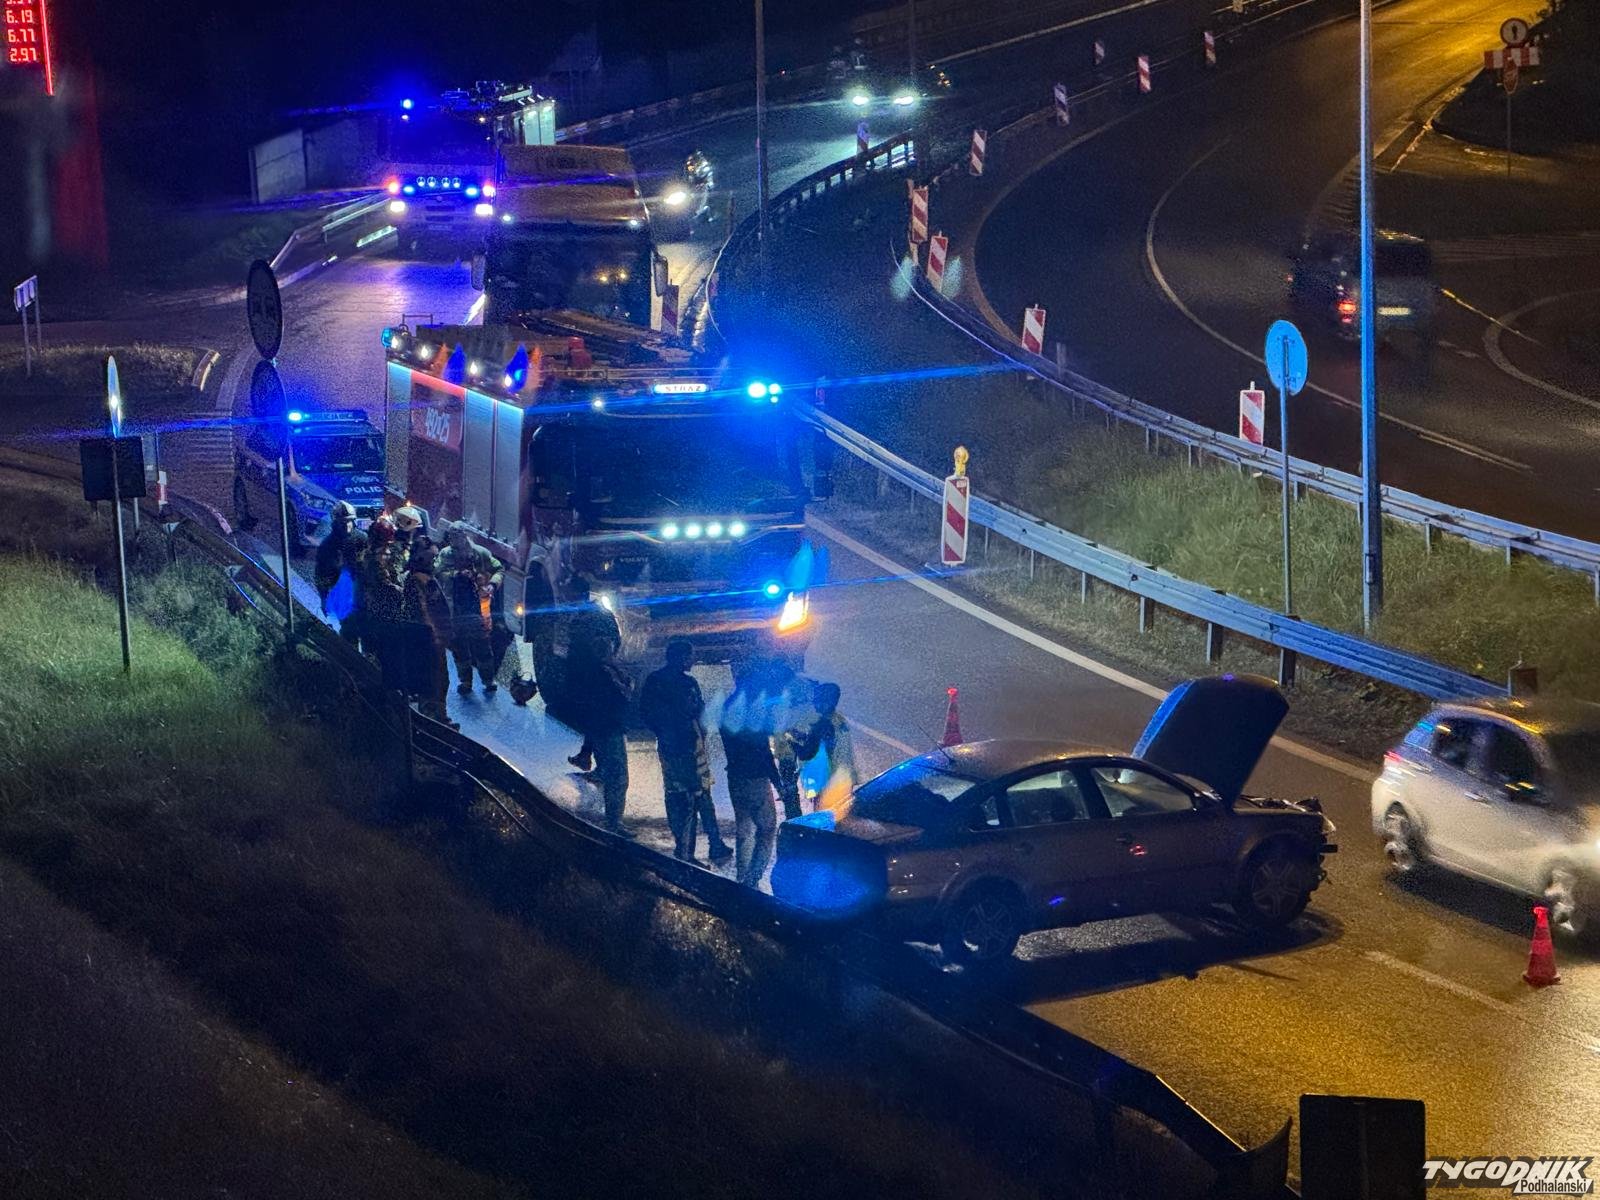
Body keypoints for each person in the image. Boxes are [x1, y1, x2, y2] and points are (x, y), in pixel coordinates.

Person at [640, 639, 732, 864]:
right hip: (688, 746)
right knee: (695, 795)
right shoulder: (686, 683)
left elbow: (646, 714)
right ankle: (692, 850)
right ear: (681, 657)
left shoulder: (656, 680)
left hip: (673, 746)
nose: (693, 659)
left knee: (681, 795)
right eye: (691, 655)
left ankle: (697, 846)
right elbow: (698, 713)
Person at [719, 668, 783, 888]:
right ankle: (752, 879)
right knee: (767, 828)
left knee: (744, 828)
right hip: (755, 777)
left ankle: (742, 878)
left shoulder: (727, 706)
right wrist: (777, 782)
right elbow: (763, 751)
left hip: (736, 775)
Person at [573, 637, 633, 836]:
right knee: (618, 777)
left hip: (603, 729)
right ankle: (614, 822)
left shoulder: (592, 672)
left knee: (612, 773)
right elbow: (624, 693)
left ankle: (611, 819)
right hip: (609, 729)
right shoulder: (605, 673)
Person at [438, 526, 504, 696]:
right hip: (455, 608)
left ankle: (488, 679)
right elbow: (437, 572)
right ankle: (465, 681)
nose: (453, 540)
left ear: (464, 536)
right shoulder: (446, 554)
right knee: (459, 647)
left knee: (483, 646)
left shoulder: (480, 553)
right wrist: (456, 574)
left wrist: (492, 584)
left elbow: (499, 569)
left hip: (477, 608)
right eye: (451, 536)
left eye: (457, 536)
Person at [565, 576, 621, 772]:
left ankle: (600, 765)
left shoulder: (590, 616)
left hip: (592, 674)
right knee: (592, 719)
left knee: (596, 720)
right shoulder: (593, 613)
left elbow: (582, 646)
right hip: (591, 672)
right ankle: (587, 755)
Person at [401, 540, 457, 729]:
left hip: (436, 638)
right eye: (431, 558)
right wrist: (432, 633)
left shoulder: (428, 578)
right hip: (427, 640)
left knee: (441, 678)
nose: (434, 561)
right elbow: (422, 610)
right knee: (430, 679)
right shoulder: (416, 581)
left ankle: (440, 714)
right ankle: (430, 719)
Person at [785, 682, 857, 808]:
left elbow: (806, 754)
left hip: (828, 782)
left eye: (817, 700)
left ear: (826, 702)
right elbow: (827, 741)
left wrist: (790, 741)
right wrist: (804, 736)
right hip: (844, 778)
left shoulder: (821, 724)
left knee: (823, 816)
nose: (814, 704)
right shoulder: (839, 719)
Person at [359, 514, 407, 687]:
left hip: (375, 610)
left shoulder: (370, 554)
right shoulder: (376, 558)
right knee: (386, 650)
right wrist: (402, 591)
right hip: (384, 611)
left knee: (376, 649)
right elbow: (385, 583)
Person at [314, 501, 359, 613]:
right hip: (339, 595)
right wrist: (324, 600)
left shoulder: (361, 539)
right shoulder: (327, 546)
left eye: (349, 521)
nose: (347, 525)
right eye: (343, 522)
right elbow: (321, 576)